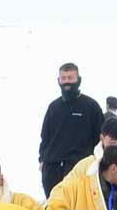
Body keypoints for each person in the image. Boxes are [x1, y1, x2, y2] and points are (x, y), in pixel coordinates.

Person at [39, 62, 104, 193]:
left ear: (78, 80)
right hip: (53, 168)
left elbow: (100, 138)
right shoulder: (53, 107)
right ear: (58, 81)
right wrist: (42, 160)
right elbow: (45, 136)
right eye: (63, 78)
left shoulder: (91, 106)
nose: (66, 82)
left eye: (70, 78)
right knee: (54, 207)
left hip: (80, 166)